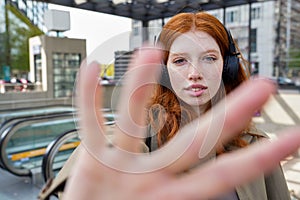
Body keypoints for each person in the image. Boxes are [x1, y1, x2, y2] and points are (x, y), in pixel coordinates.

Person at [60, 11, 300, 200]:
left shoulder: (255, 143)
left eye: (209, 58)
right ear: (164, 70)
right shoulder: (139, 134)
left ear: (227, 67)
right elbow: (106, 155)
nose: (194, 73)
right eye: (180, 61)